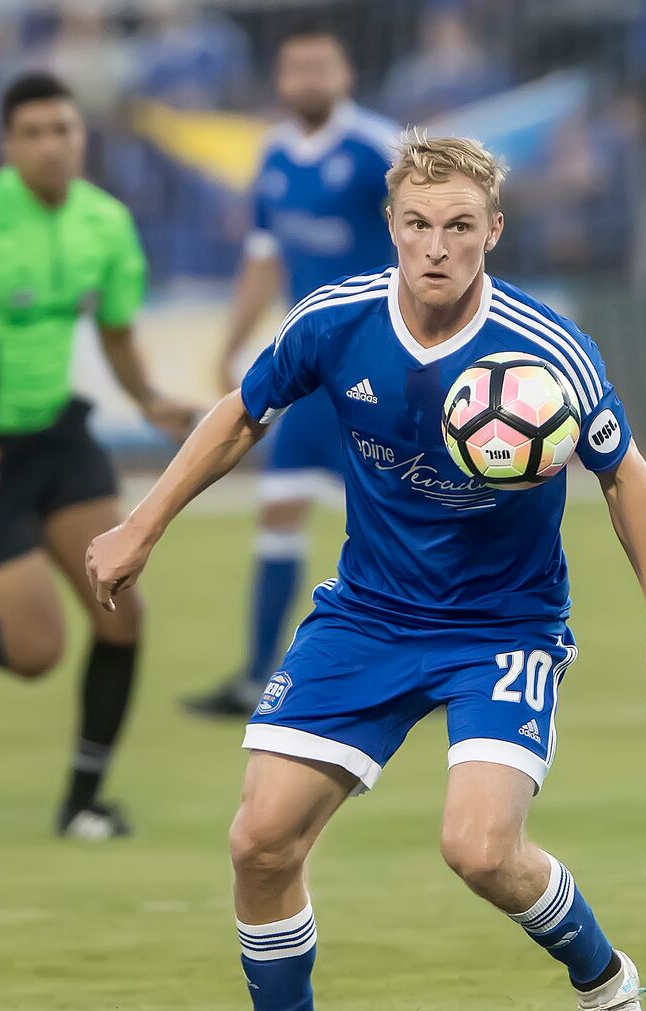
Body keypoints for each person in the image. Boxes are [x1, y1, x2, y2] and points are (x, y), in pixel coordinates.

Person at [87, 134, 646, 1011]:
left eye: (460, 226)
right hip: (368, 616)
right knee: (260, 841)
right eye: (418, 224)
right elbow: (242, 412)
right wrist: (142, 523)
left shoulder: (545, 348)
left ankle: (606, 984)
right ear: (392, 228)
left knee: (480, 849)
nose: (437, 246)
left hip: (503, 626)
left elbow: (621, 470)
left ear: (494, 232)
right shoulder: (337, 319)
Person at [0, 72, 196, 839]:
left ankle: (83, 804)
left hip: (59, 438)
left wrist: (149, 399)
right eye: (35, 132)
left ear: (82, 137)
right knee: (34, 652)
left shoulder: (104, 223)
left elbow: (115, 333)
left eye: (65, 129)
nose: (53, 145)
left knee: (122, 614)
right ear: (7, 144)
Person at [183, 26, 397, 717]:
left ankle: (440, 658)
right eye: (296, 68)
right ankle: (255, 677)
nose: (308, 79)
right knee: (278, 509)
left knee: (400, 518)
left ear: (345, 74)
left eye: (320, 66)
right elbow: (264, 257)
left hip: (381, 369)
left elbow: (436, 238)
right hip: (310, 370)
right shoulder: (273, 156)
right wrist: (232, 344)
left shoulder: (379, 151)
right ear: (279, 80)